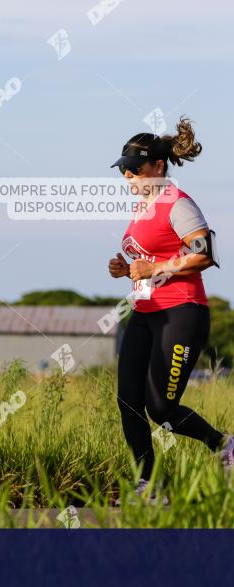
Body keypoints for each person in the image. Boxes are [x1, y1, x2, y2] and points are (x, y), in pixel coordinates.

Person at [107, 116, 234, 503]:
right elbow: (151, 258)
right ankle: (148, 485)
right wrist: (125, 269)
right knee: (128, 399)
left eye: (134, 169)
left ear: (158, 167)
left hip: (182, 313)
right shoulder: (144, 207)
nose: (127, 176)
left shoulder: (177, 203)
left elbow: (205, 253)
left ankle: (224, 445)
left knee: (161, 407)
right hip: (146, 314)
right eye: (123, 170)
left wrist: (156, 268)